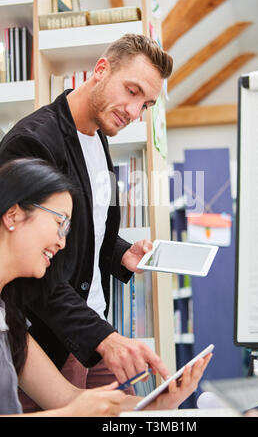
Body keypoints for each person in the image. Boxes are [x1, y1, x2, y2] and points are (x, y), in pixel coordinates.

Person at [0, 33, 174, 411]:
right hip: (49, 337)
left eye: (145, 104)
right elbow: (30, 257)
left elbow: (83, 228)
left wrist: (123, 253)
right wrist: (103, 338)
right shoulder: (33, 142)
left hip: (94, 324)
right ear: (100, 70)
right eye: (131, 91)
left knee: (141, 411)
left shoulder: (99, 137)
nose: (133, 111)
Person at [0, 158, 213, 416]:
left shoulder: (10, 318)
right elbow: (70, 408)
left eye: (67, 229)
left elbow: (67, 397)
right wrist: (73, 412)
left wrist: (159, 404)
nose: (62, 243)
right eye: (59, 223)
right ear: (13, 214)